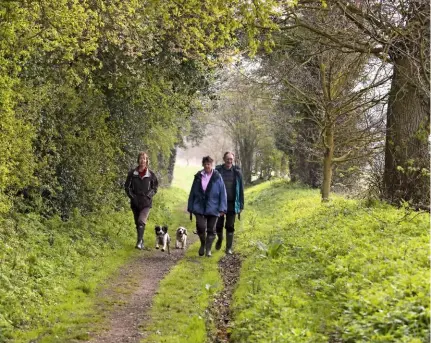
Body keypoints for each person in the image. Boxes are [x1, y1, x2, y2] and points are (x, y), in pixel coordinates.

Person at [188, 156, 227, 257]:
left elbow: (223, 192)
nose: (207, 166)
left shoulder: (217, 177)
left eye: (209, 164)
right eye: (205, 164)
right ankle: (203, 244)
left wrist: (222, 208)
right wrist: (190, 206)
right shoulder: (198, 176)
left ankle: (208, 250)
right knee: (200, 227)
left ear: (212, 165)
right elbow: (192, 192)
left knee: (211, 229)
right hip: (199, 206)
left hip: (213, 206)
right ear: (203, 165)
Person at [124, 152, 159, 250]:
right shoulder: (132, 174)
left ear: (147, 161)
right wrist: (132, 197)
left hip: (146, 203)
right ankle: (141, 240)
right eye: (140, 158)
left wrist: (148, 196)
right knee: (137, 223)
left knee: (141, 221)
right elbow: (127, 187)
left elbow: (155, 187)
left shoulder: (151, 174)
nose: (142, 160)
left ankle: (139, 242)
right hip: (135, 202)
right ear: (138, 160)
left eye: (144, 158)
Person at [215, 152, 244, 254]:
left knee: (230, 226)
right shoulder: (218, 171)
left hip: (232, 203)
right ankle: (219, 239)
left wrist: (241, 204)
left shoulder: (237, 172)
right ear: (224, 159)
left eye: (231, 159)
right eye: (227, 159)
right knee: (218, 225)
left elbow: (241, 190)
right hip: (219, 203)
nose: (229, 161)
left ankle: (228, 248)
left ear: (233, 159)